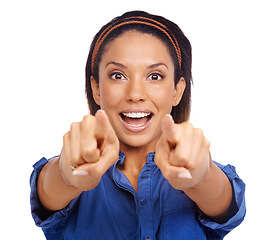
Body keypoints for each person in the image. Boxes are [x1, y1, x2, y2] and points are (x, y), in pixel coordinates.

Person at [30, 10, 246, 239]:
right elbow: (49, 189)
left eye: (154, 76)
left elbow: (223, 200)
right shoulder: (75, 166)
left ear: (177, 91)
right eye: (117, 75)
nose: (135, 94)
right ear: (96, 89)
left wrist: (202, 179)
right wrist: (66, 174)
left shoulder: (204, 171)